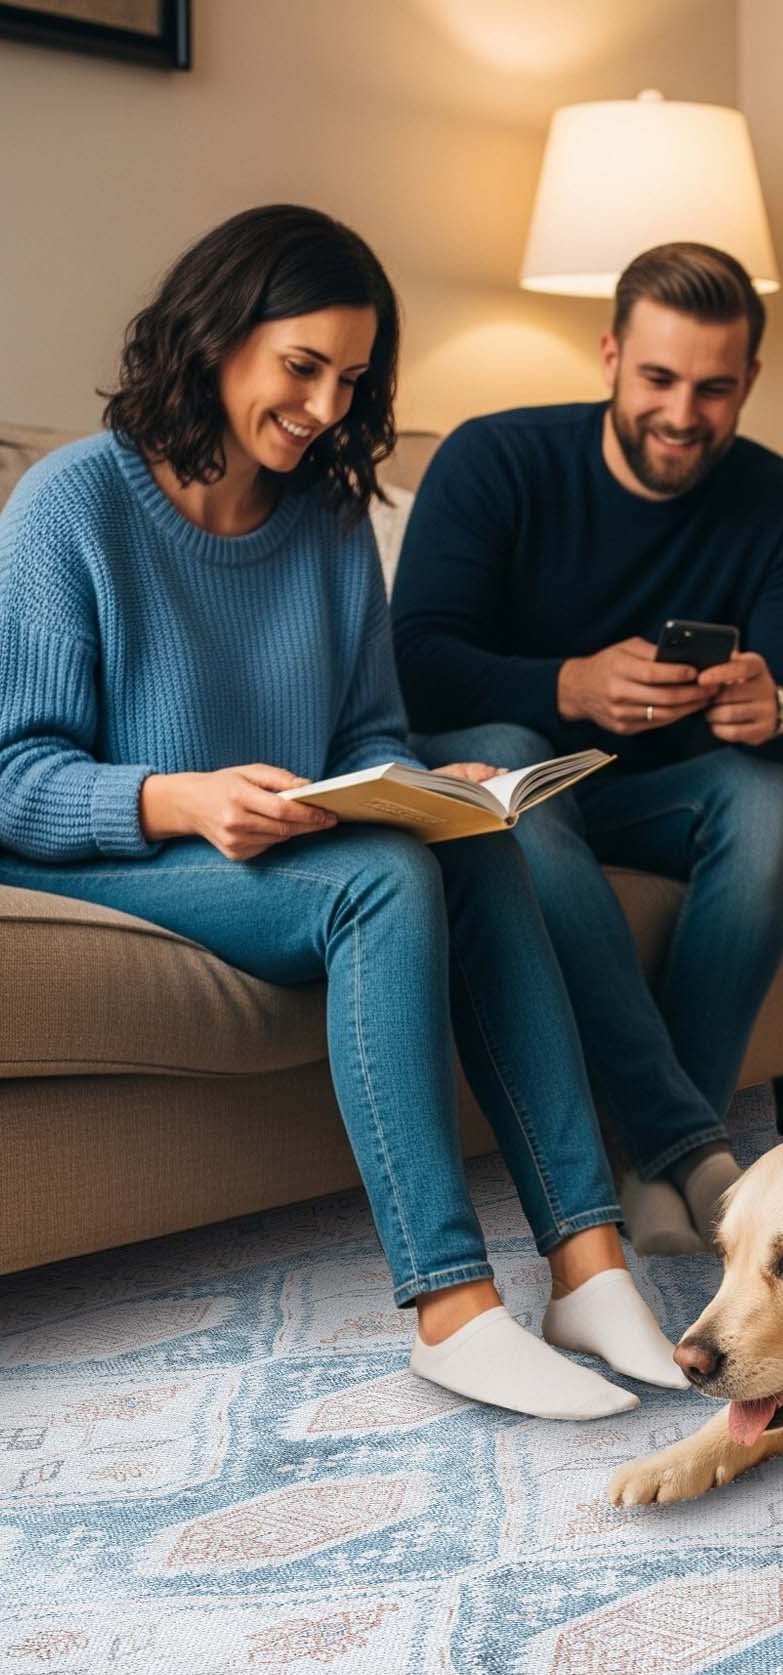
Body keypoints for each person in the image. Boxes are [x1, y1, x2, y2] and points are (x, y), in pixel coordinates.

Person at [0, 204, 688, 1420]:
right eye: (301, 366)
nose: (323, 407)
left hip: (282, 841)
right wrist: (177, 796)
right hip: (113, 850)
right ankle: (448, 1304)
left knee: (466, 848)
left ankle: (586, 1260)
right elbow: (14, 775)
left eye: (351, 378)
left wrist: (424, 787)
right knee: (385, 882)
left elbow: (366, 729)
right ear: (216, 338)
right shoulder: (70, 509)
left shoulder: (325, 516)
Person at [391, 242, 783, 1256]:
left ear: (749, 383)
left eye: (714, 388)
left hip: (653, 794)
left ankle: (650, 1160)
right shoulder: (495, 459)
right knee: (514, 756)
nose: (683, 414)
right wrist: (567, 682)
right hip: (504, 770)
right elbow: (413, 662)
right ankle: (687, 1144)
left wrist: (775, 710)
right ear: (608, 357)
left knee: (770, 795)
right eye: (658, 378)